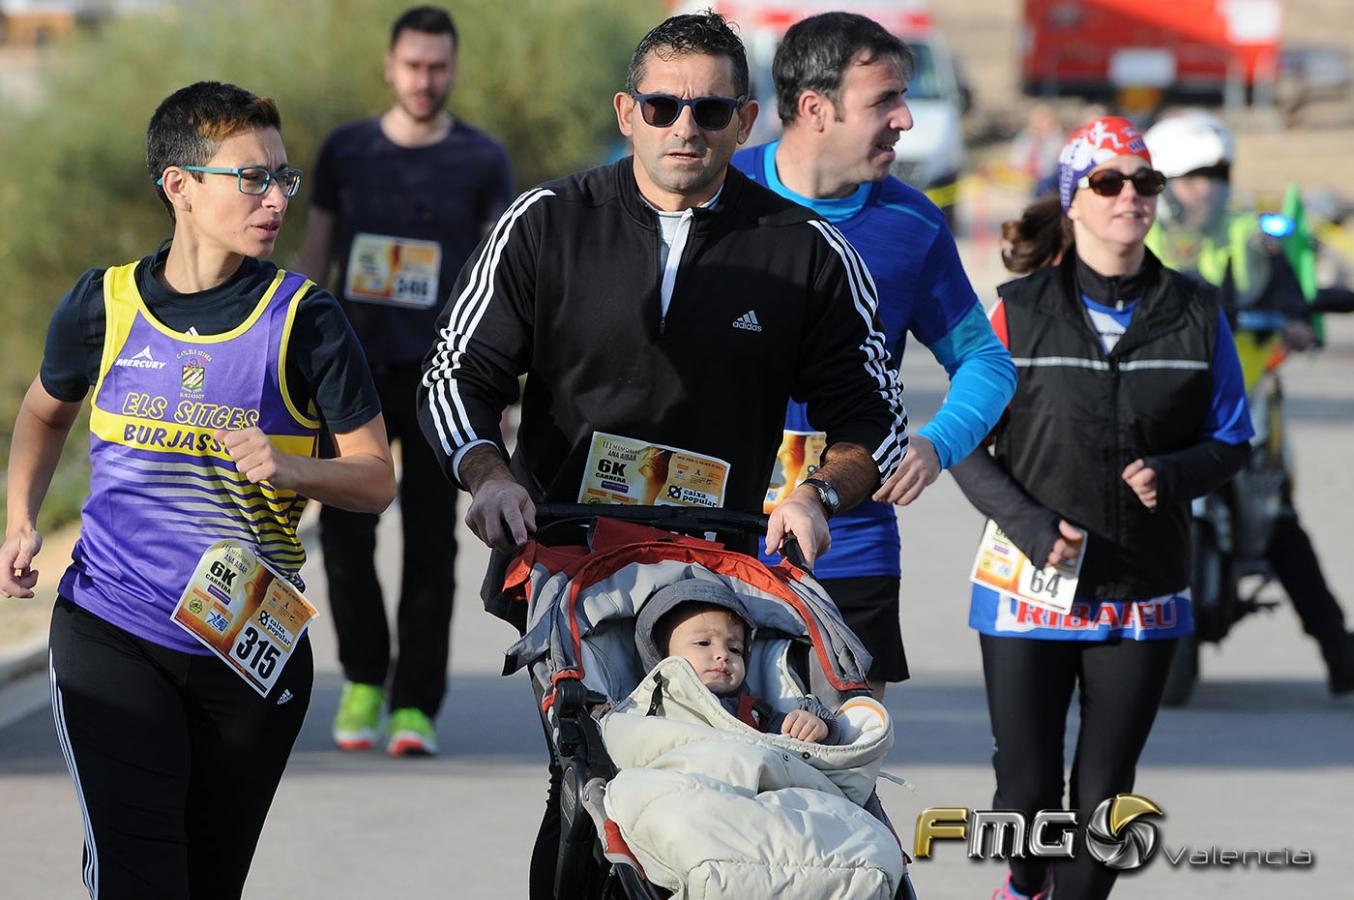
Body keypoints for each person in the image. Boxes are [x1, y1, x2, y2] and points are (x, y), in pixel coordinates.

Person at [415, 12, 907, 897]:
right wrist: (485, 473)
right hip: (568, 562)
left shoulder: (805, 252)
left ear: (745, 123)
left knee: (722, 776)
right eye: (664, 105)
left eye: (711, 112)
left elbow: (874, 419)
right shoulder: (546, 223)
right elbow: (456, 372)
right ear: (627, 112)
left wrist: (818, 495)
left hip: (723, 575)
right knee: (594, 782)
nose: (686, 127)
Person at [0, 82, 394, 899]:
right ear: (179, 186)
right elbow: (43, 415)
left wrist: (296, 469)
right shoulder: (100, 305)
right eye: (251, 177)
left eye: (284, 179)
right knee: (142, 877)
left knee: (205, 882)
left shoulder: (304, 320)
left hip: (250, 644)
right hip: (111, 626)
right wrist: (20, 521)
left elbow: (376, 477)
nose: (276, 198)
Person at [949, 116, 1253, 900]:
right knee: (1025, 795)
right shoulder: (1016, 312)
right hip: (1027, 587)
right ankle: (1023, 883)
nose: (1131, 197)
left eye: (1144, 183)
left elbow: (1233, 438)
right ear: (1074, 200)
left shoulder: (1196, 312)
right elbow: (965, 444)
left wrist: (1178, 473)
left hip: (1141, 589)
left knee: (1106, 794)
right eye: (1108, 183)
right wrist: (1027, 525)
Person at [732, 12, 1016, 692]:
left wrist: (936, 443)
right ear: (813, 108)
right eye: (883, 100)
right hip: (717, 530)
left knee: (847, 764)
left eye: (904, 98)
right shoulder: (718, 196)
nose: (906, 120)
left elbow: (987, 361)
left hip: (851, 537)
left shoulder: (911, 223)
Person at [294, 5, 513, 755]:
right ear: (390, 67)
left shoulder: (482, 160)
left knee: (431, 542)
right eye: (414, 65)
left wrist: (503, 389)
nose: (426, 79)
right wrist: (281, 352)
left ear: (453, 69)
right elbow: (316, 251)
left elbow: (497, 277)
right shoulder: (346, 150)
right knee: (347, 535)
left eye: (439, 66)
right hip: (346, 377)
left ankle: (415, 704)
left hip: (439, 380)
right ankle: (362, 679)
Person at [1142, 109, 1354, 695]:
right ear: (1161, 181)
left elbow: (1292, 294)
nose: (1205, 188)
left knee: (1278, 518)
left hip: (1245, 398)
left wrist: (1297, 320)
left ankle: (1340, 650)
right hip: (1160, 402)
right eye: (1190, 177)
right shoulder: (1139, 236)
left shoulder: (1253, 236)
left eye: (1215, 174)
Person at [634, 580, 840, 744]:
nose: (723, 655)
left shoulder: (754, 712)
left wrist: (816, 727)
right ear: (661, 655)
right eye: (704, 643)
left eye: (735, 649)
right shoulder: (645, 707)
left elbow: (800, 745)